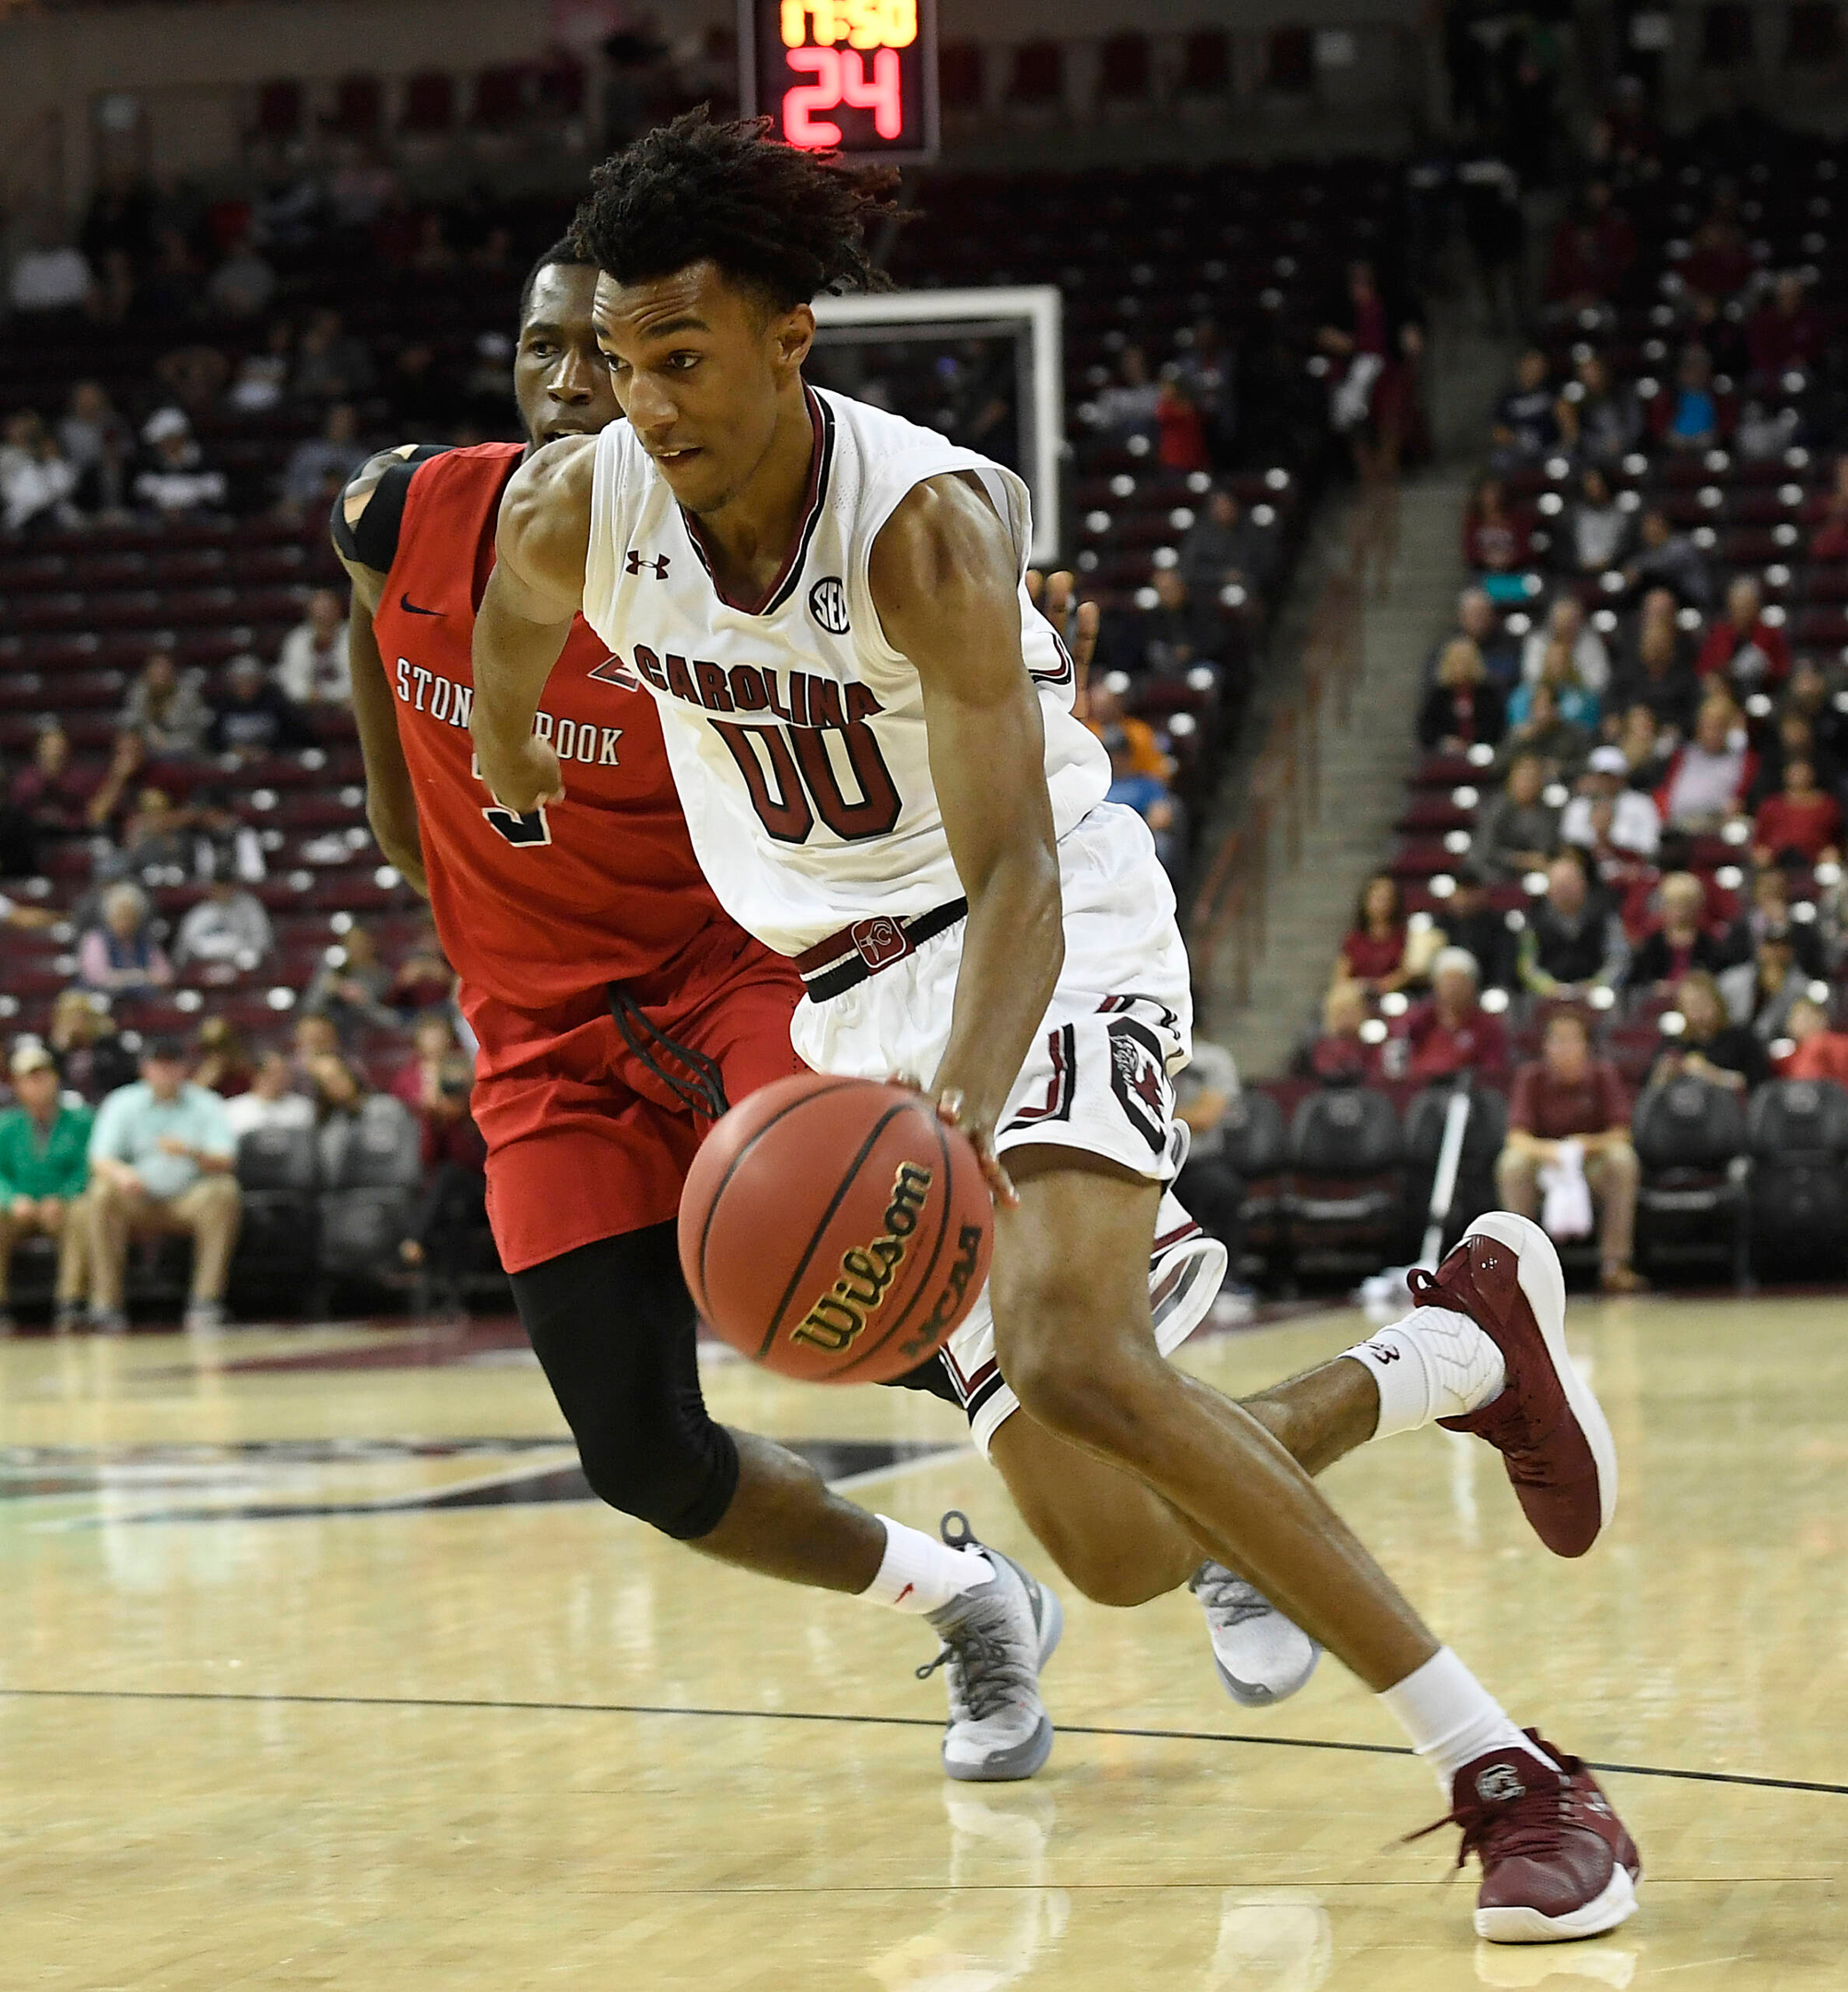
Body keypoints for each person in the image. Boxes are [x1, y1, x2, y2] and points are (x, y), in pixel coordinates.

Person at [468, 116, 1641, 1936]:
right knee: (1118, 1550)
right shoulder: (578, 507)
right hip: (846, 997)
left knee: (1078, 1342)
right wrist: (518, 749)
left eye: (681, 357)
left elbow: (1017, 876)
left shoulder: (928, 530)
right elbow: (503, 626)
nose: (645, 401)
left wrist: (949, 1119)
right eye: (620, 360)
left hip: (1048, 933)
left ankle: (1509, 1775)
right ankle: (1453, 1352)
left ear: (793, 341)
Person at [86, 1037, 241, 1334]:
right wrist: (122, 1173)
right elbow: (100, 1158)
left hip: (188, 1198)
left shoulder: (205, 1103)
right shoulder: (122, 1102)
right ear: (145, 1069)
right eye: (159, 1064)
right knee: (100, 1192)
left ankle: (206, 1300)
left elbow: (226, 1159)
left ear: (184, 1068)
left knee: (224, 1191)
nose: (166, 1071)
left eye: (172, 1064)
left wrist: (193, 1152)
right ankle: (106, 1304)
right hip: (138, 1198)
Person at [1497, 1010, 1644, 1294]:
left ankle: (1615, 1265)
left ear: (1586, 1047)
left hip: (1590, 1165)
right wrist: (1550, 1151)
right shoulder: (1531, 1077)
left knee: (1622, 1160)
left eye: (1572, 1041)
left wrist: (1584, 1146)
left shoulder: (1603, 1074)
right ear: (1545, 1047)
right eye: (1557, 1041)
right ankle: (1519, 1267)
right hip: (1544, 1164)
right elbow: (1516, 1137)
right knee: (1511, 1165)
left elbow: (1621, 1133)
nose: (1564, 1049)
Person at [390, 1012, 488, 1310]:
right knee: (453, 1207)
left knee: (450, 1177)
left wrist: (465, 1108)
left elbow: (478, 1154)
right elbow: (427, 1151)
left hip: (481, 1177)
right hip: (442, 1184)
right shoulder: (412, 1076)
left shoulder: (468, 1068)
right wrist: (435, 1114)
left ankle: (414, 1240)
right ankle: (454, 1297)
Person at [0, 1041, 93, 1334]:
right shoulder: (6, 1125)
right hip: (19, 1208)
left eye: (43, 1075)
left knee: (82, 1214)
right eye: (29, 1078)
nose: (37, 1084)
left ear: (55, 1078)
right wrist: (12, 1199)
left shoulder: (81, 1120)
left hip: (61, 1206)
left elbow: (87, 1166)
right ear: (18, 1085)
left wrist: (64, 1196)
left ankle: (71, 1304)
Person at [1519, 850, 1629, 997]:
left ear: (1583, 884)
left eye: (1570, 884)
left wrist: (1597, 984)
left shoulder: (1606, 913)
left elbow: (1619, 958)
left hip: (1599, 995)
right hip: (1547, 997)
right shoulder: (1533, 917)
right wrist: (1548, 987)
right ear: (1549, 889)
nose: (1565, 891)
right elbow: (1527, 965)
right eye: (1560, 886)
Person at [1645, 969, 1767, 1095]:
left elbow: (1757, 1085)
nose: (1699, 1012)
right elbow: (1649, 1088)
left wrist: (1709, 1073)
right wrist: (1663, 1074)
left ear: (1718, 1002)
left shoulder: (1741, 1038)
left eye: (1703, 1003)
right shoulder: (1675, 1042)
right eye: (1692, 1005)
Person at [1399, 949, 1508, 1083]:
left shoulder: (1488, 1027)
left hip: (1467, 1091)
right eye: (1448, 982)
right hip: (1421, 1090)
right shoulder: (1419, 1020)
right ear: (1436, 985)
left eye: (1459, 982)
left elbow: (1493, 1070)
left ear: (1472, 986)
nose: (1453, 989)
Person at [1655, 696, 1754, 833]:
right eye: (1706, 727)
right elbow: (1666, 790)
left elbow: (1740, 800)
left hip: (1717, 823)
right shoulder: (1684, 755)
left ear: (1726, 729)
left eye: (1717, 727)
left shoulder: (1739, 758)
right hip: (1678, 823)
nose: (1711, 733)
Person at [1627, 872, 1731, 992]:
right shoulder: (1652, 942)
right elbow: (1639, 980)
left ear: (1697, 907)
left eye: (1685, 905)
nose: (1679, 912)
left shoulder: (1709, 943)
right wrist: (1655, 987)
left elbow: (1717, 977)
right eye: (1673, 905)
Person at [204, 654, 314, 762]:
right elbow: (212, 739)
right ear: (232, 683)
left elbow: (294, 733)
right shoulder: (222, 705)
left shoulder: (275, 702)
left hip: (272, 759)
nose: (245, 686)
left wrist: (270, 750)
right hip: (234, 759)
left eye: (250, 680)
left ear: (260, 681)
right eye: (240, 681)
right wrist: (233, 749)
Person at [1472, 753, 1559, 883]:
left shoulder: (1548, 812)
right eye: (1523, 776)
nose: (1527, 783)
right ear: (1511, 779)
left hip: (1535, 877)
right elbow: (1487, 850)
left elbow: (1548, 848)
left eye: (1533, 777)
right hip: (1491, 874)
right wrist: (1520, 860)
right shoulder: (1495, 808)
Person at [1561, 745, 1659, 861]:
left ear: (1622, 777)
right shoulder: (1577, 806)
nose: (1605, 782)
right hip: (1587, 868)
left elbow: (1650, 846)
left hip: (1629, 869)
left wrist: (1610, 842)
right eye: (1601, 776)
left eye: (1610, 776)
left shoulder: (1642, 804)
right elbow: (1570, 844)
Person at [1698, 575, 1789, 693]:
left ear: (1756, 606)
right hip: (1726, 693)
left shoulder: (1771, 634)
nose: (1742, 611)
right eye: (1738, 605)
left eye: (1746, 605)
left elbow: (1782, 670)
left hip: (1762, 692)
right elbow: (1704, 669)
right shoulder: (1719, 634)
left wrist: (1765, 671)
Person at [78, 882, 173, 994]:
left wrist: (132, 978)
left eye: (130, 916)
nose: (125, 922)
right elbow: (98, 976)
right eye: (120, 915)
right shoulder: (96, 939)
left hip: (141, 1001)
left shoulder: (145, 940)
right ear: (109, 916)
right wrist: (139, 976)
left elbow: (165, 975)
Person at [1416, 638, 1504, 753]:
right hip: (1446, 755)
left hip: (1481, 752)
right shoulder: (1438, 695)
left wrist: (1475, 743)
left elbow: (1496, 726)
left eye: (1466, 662)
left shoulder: (1487, 694)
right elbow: (1426, 728)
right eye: (1456, 662)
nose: (1461, 667)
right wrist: (1446, 742)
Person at [1436, 865, 1515, 990]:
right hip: (1445, 993)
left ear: (1482, 893)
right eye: (1460, 891)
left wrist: (1496, 989)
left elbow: (1504, 966)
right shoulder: (1439, 925)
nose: (1464, 899)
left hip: (1486, 990)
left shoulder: (1497, 926)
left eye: (1469, 892)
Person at [119, 651, 210, 759]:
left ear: (173, 671)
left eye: (165, 668)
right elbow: (131, 723)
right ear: (147, 672)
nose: (161, 672)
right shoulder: (138, 693)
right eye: (156, 667)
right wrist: (150, 738)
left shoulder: (188, 696)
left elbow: (196, 736)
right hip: (147, 749)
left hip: (182, 751)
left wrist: (167, 744)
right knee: (127, 751)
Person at [1753, 758, 1841, 869]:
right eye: (1795, 773)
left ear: (1812, 775)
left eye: (1803, 773)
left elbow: (1837, 837)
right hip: (1777, 858)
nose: (1800, 777)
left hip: (1816, 859)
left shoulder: (1827, 804)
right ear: (1786, 775)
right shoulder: (1771, 805)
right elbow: (1759, 839)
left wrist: (1831, 852)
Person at [1334, 872, 1410, 995]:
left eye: (1387, 898)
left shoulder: (1406, 935)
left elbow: (1408, 970)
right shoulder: (1354, 938)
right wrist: (1359, 987)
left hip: (1395, 994)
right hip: (1358, 994)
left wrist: (1381, 986)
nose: (1382, 904)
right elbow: (1341, 976)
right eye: (1378, 898)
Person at [173, 875, 273, 968]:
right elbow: (183, 952)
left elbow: (262, 942)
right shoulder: (199, 913)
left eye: (226, 886)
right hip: (207, 967)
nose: (222, 891)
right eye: (218, 887)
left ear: (234, 886)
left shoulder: (250, 908)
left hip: (243, 966)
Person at [1520, 595, 1608, 697]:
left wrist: (1570, 673)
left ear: (1580, 620)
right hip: (1541, 698)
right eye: (1562, 620)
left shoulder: (1591, 642)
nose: (1567, 625)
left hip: (1583, 699)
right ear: (1553, 621)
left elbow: (1599, 681)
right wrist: (1551, 676)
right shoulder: (1537, 641)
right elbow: (1531, 676)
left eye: (1572, 620)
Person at [276, 587, 351, 706]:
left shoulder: (352, 635)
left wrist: (329, 695)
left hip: (347, 703)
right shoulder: (297, 639)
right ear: (310, 611)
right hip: (307, 705)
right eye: (320, 609)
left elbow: (357, 678)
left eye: (328, 608)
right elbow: (291, 678)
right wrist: (308, 694)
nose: (324, 614)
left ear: (338, 609)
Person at [223, 1049, 314, 1138]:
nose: (280, 1078)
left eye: (284, 1073)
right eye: (273, 1073)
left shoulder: (303, 1108)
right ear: (257, 1075)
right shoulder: (232, 1110)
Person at [1773, 994, 1848, 1084]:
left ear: (1822, 1018)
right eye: (1794, 1017)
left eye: (1804, 1017)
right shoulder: (1792, 1056)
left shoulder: (1820, 1045)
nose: (1796, 1022)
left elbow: (1807, 1084)